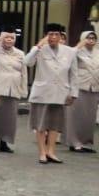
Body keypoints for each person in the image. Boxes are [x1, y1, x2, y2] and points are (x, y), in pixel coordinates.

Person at [25, 24, 77, 164]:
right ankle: (42, 152)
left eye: (56, 34)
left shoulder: (70, 52)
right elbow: (28, 62)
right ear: (45, 36)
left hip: (60, 92)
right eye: (50, 34)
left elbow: (74, 74)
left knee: (55, 125)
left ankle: (51, 151)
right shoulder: (40, 50)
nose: (53, 37)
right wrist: (37, 46)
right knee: (40, 124)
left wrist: (73, 92)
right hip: (42, 93)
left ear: (61, 36)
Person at [0, 31, 27, 153]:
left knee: (9, 118)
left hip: (13, 88)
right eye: (7, 37)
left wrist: (23, 90)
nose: (9, 39)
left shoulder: (20, 53)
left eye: (12, 38)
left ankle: (4, 142)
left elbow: (24, 72)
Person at [66, 30, 98, 153]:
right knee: (76, 116)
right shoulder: (77, 52)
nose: (91, 40)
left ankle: (86, 142)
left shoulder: (98, 52)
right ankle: (74, 142)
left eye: (93, 38)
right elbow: (69, 59)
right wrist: (79, 45)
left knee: (89, 117)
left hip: (94, 87)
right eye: (88, 38)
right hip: (79, 86)